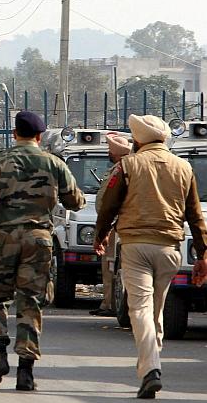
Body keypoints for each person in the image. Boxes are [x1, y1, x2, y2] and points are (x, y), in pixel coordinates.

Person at [94, 114, 207, 399]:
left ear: (138, 139)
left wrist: (101, 234)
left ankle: (151, 369)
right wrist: (203, 255)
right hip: (170, 249)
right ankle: (149, 367)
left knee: (140, 309)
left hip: (135, 246)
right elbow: (195, 215)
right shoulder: (184, 167)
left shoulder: (127, 165)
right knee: (155, 312)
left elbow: (108, 205)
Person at [0, 110, 86, 391]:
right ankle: (26, 372)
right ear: (39, 136)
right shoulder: (54, 163)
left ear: (15, 134)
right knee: (31, 302)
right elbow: (75, 202)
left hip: (3, 237)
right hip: (39, 240)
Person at [90, 132, 132, 317]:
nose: (108, 152)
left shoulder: (121, 170)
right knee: (109, 266)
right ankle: (108, 302)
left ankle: (110, 304)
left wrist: (105, 228)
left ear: (116, 152)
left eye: (110, 149)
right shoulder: (120, 168)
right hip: (115, 225)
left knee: (110, 266)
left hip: (116, 226)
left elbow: (112, 201)